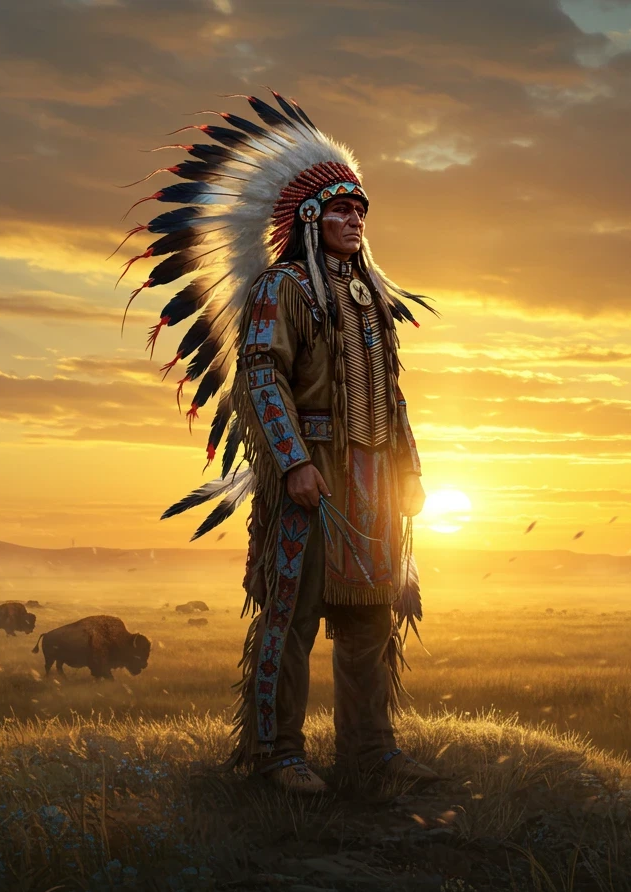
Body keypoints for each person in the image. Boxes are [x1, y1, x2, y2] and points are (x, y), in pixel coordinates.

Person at [120, 92, 439, 794]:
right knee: (290, 616)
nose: (355, 220)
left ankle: (370, 753)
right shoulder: (282, 288)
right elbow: (259, 376)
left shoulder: (371, 300)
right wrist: (292, 461)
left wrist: (409, 472)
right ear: (307, 217)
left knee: (369, 619)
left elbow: (393, 393)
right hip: (312, 473)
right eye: (341, 209)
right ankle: (275, 754)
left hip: (373, 482)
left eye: (361, 211)